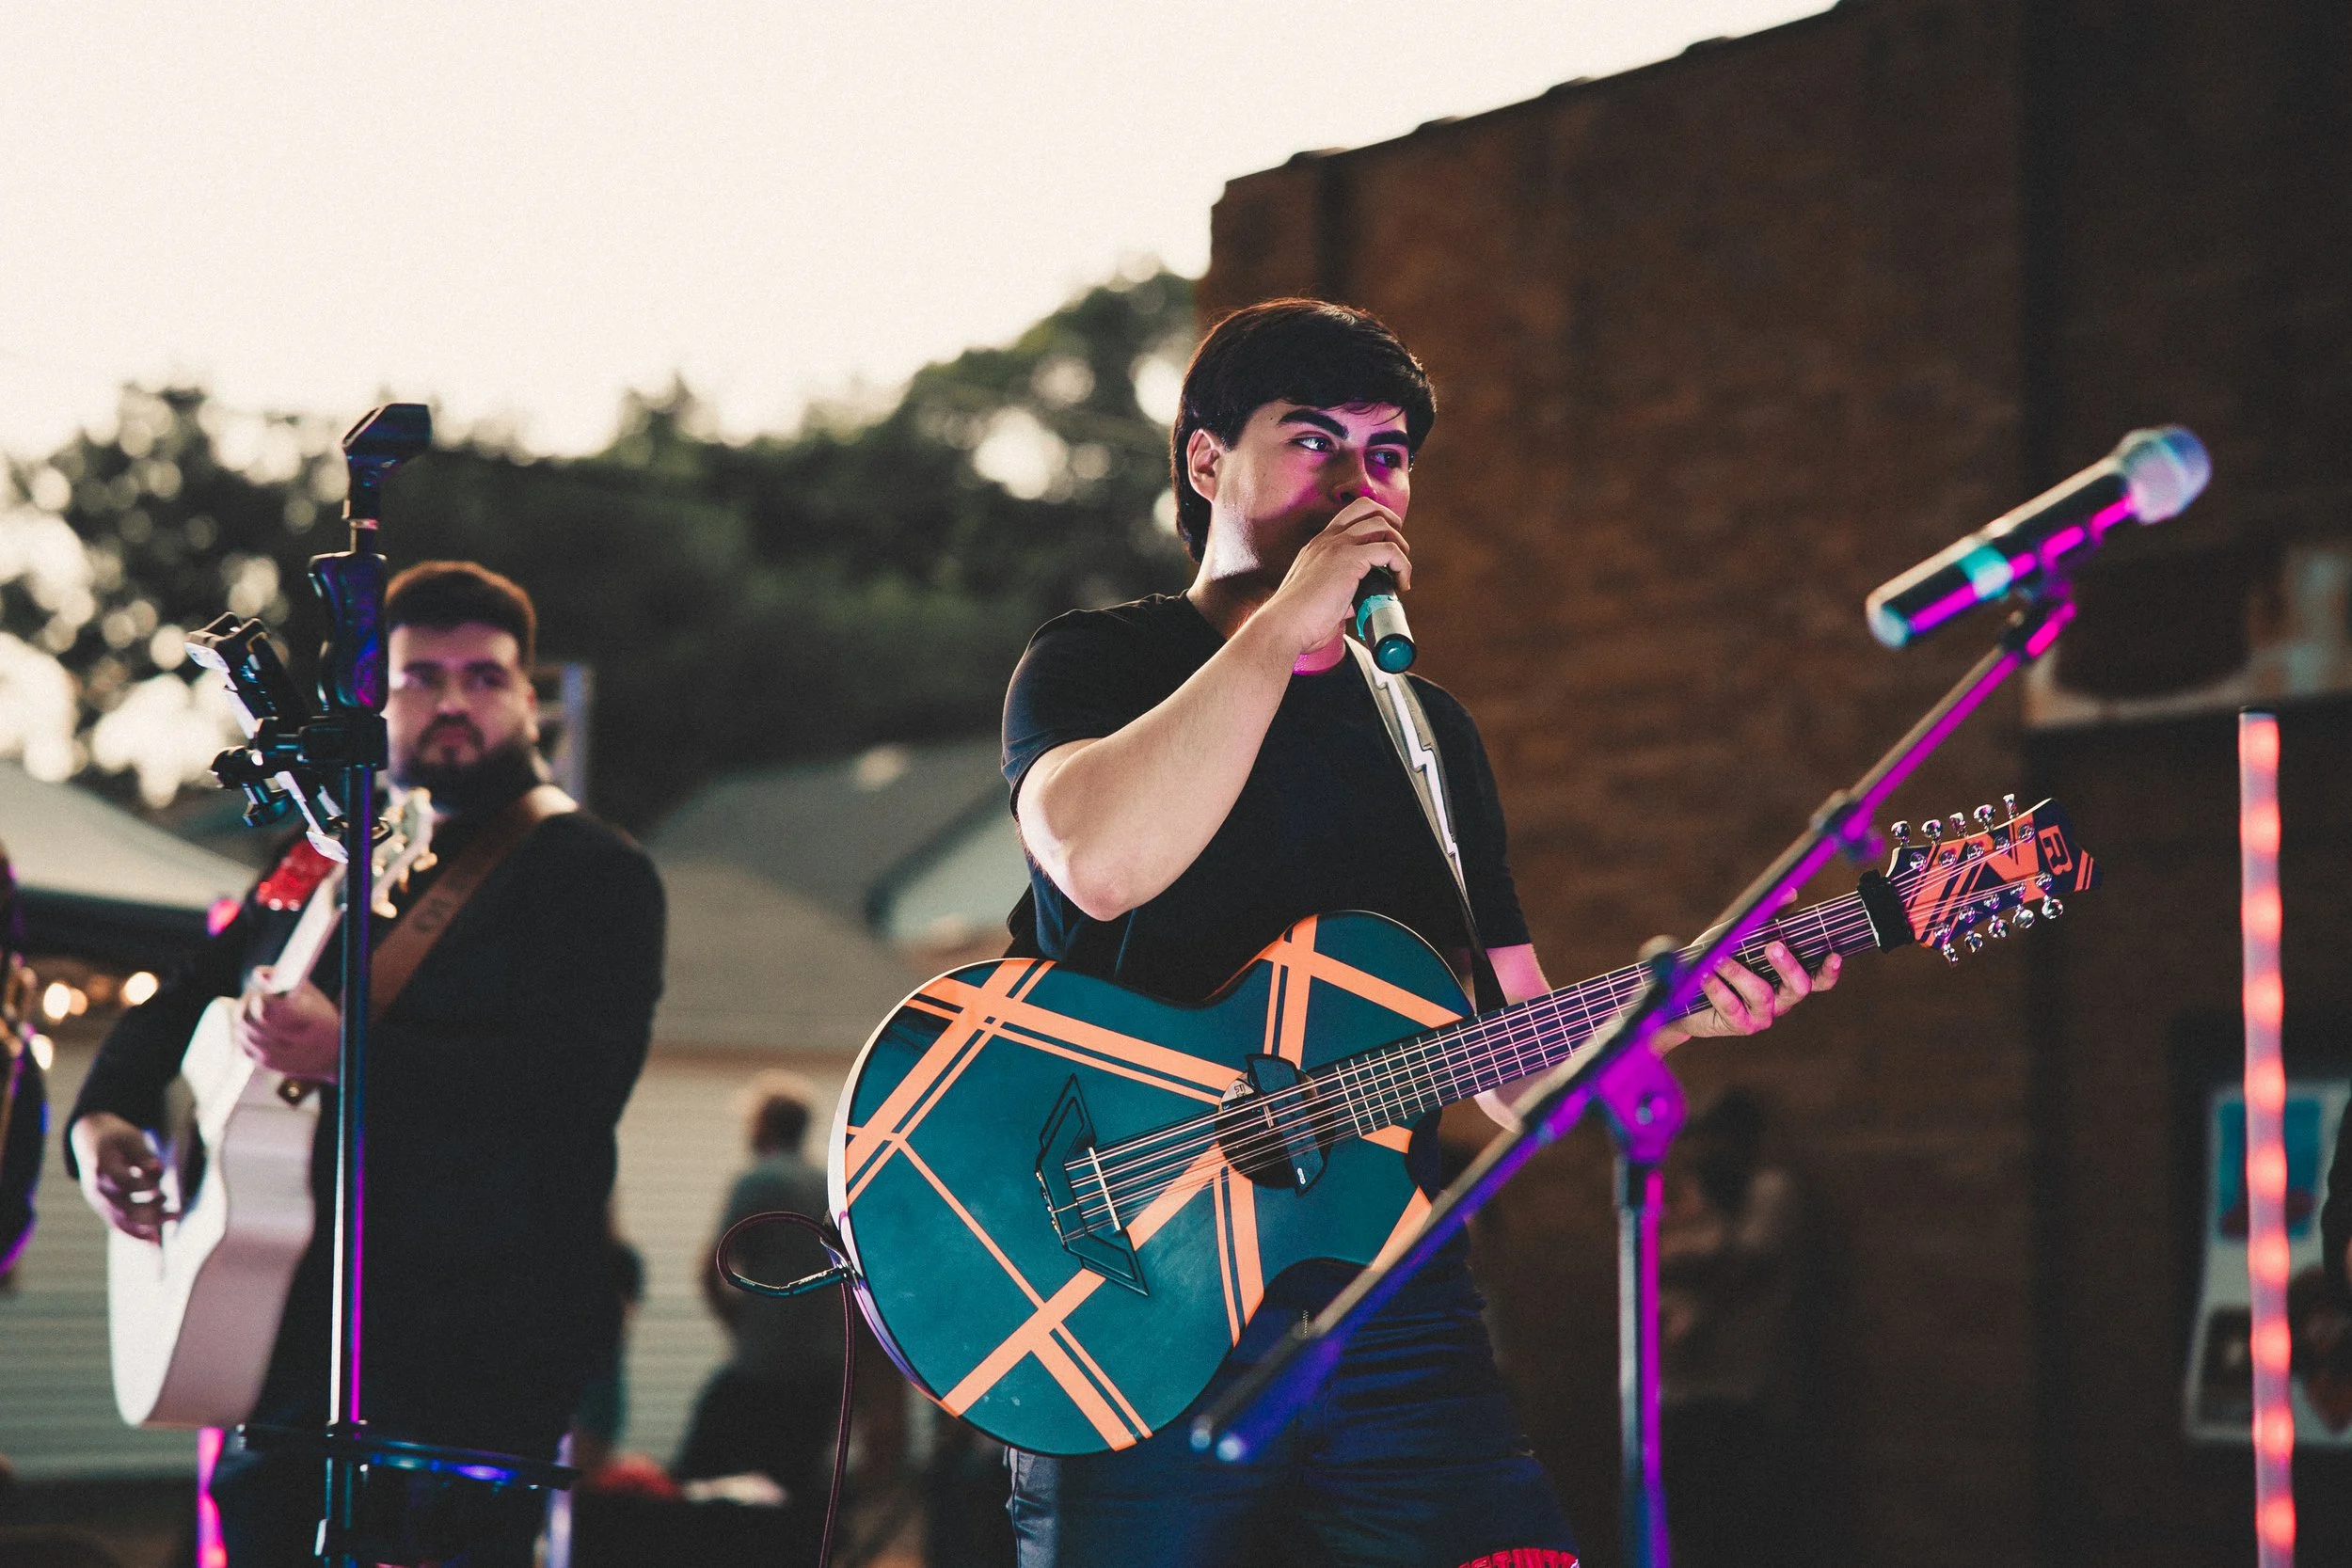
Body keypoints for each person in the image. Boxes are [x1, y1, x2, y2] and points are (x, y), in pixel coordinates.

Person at [997, 298, 1838, 1568]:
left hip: (1381, 1286)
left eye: (1387, 454)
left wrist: (1685, 1005)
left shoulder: (1427, 732)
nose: (1359, 485)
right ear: (1207, 460)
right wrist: (1288, 625)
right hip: (1129, 1296)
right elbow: (1100, 865)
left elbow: (1506, 1052)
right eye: (1316, 441)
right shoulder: (1096, 663)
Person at [67, 561, 665, 1568]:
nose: (452, 701)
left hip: (470, 1352)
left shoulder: (591, 870)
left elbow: (574, 1087)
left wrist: (352, 1053)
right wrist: (104, 1118)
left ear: (529, 698)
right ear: (374, 695)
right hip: (284, 1346)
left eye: (485, 677)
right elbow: (180, 994)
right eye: (421, 676)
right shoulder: (327, 852)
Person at [1657, 1087, 1808, 1568]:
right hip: (1678, 1395)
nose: (1706, 1151)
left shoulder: (1767, 1192)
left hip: (1739, 1397)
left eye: (1717, 1139)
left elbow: (1743, 1269)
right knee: (1684, 1536)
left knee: (1738, 1536)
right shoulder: (1690, 1198)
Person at [675, 1070, 844, 1500]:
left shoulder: (759, 1181)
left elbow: (712, 1269)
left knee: (702, 1477)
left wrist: (738, 1325)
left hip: (762, 1369)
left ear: (763, 1125)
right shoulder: (826, 1184)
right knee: (795, 1491)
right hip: (821, 1369)